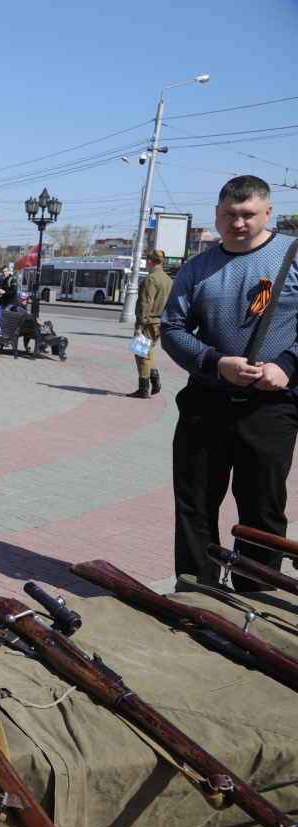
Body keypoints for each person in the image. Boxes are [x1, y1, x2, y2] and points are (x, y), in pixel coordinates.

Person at [161, 175, 298, 590]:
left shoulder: (292, 255)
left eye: (248, 214)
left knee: (262, 511)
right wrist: (217, 363)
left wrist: (288, 364)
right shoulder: (196, 267)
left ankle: (257, 596)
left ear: (268, 212)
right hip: (205, 404)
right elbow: (172, 329)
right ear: (217, 215)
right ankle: (197, 595)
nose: (238, 223)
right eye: (229, 214)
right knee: (194, 507)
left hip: (270, 408)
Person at [128, 250, 173, 398]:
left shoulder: (151, 279)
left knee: (141, 354)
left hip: (148, 323)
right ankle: (155, 381)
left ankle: (143, 389)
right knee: (149, 352)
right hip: (160, 322)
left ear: (149, 261)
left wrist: (139, 326)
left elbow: (145, 304)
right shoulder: (167, 279)